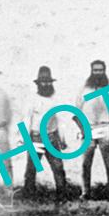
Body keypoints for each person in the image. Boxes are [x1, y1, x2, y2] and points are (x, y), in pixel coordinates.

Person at [22, 65, 69, 201]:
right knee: (32, 168)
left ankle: (62, 196)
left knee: (58, 167)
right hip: (35, 137)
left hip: (52, 137)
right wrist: (25, 138)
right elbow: (26, 118)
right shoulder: (31, 99)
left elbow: (60, 119)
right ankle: (29, 196)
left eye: (48, 81)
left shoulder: (56, 99)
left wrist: (63, 139)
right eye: (43, 81)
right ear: (38, 83)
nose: (46, 84)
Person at [75, 59, 109, 200]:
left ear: (104, 71)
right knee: (85, 164)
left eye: (100, 70)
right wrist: (83, 130)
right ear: (91, 71)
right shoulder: (84, 89)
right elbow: (76, 113)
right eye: (95, 70)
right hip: (89, 129)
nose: (98, 73)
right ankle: (85, 193)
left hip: (105, 127)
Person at [0, 71, 13, 186]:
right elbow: (9, 115)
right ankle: (9, 194)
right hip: (0, 131)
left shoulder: (2, 94)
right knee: (6, 166)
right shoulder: (2, 94)